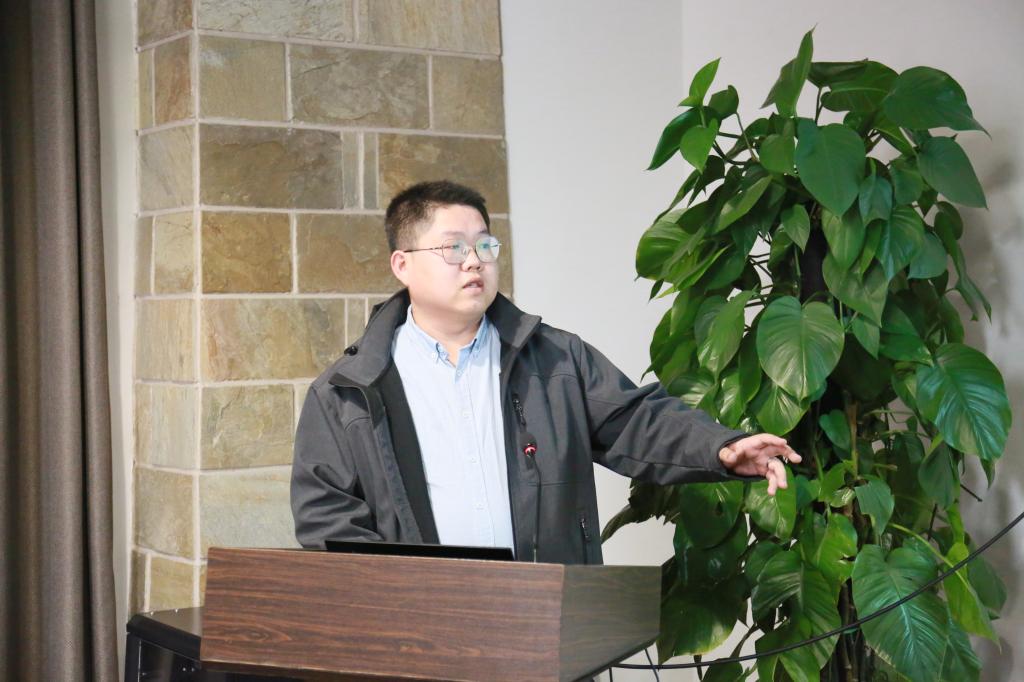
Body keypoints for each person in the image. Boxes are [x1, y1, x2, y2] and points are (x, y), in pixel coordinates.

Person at [290, 180, 801, 564]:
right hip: (423, 635)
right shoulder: (348, 391)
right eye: (454, 248)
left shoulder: (553, 358)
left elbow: (635, 419)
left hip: (544, 617)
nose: (474, 262)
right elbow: (327, 517)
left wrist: (719, 447)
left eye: (484, 246)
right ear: (402, 264)